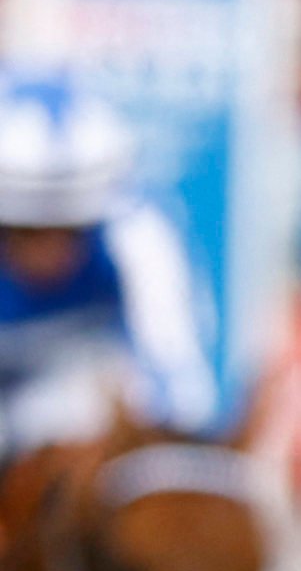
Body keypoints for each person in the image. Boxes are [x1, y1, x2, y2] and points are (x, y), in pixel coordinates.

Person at [0, 74, 221, 458]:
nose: (50, 250)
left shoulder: (139, 232)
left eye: (71, 230)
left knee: (78, 408)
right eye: (25, 231)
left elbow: (175, 374)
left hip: (72, 406)